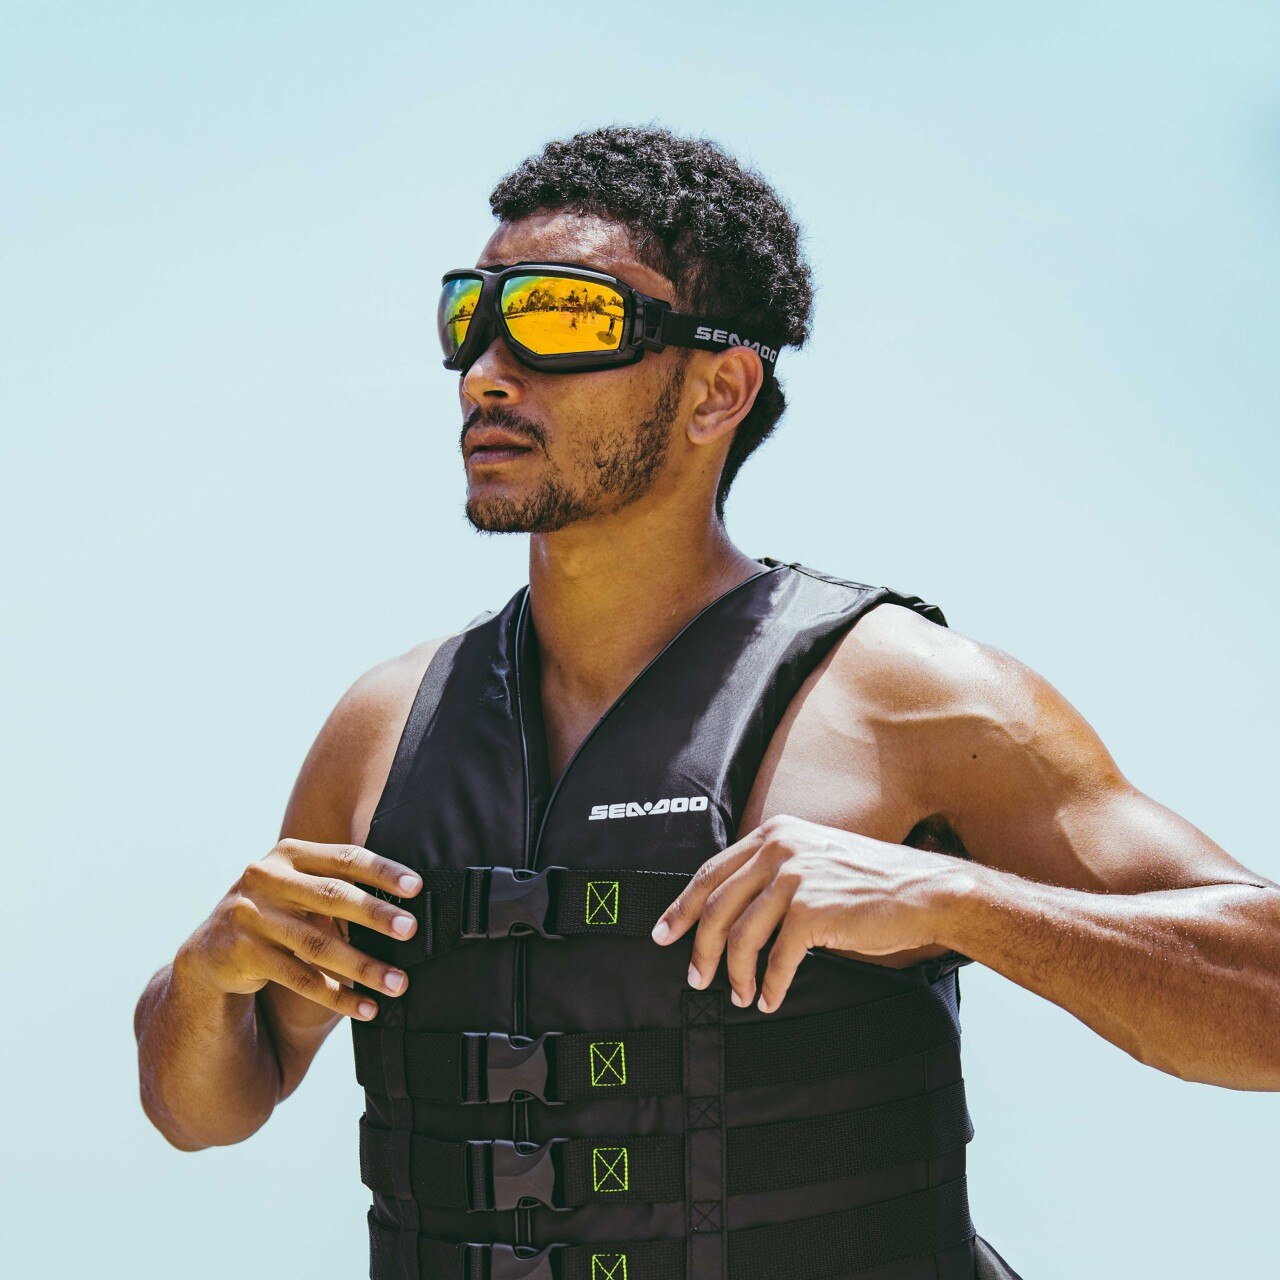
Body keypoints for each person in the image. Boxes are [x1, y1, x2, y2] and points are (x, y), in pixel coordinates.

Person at [133, 125, 1280, 1280]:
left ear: (715, 389)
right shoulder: (386, 727)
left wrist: (957, 899)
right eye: (468, 317)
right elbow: (204, 1108)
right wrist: (204, 976)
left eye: (560, 317)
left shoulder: (904, 697)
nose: (487, 369)